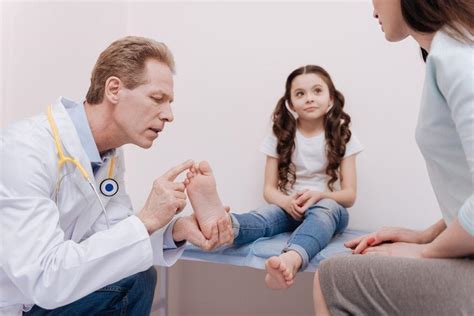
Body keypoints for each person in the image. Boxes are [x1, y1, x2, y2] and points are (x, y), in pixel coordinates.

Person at [0, 36, 233, 315]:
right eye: (157, 99)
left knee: (136, 274)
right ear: (114, 89)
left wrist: (175, 231)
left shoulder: (108, 156)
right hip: (16, 301)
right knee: (134, 281)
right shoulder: (23, 150)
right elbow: (44, 279)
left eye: (169, 102)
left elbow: (113, 235)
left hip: (47, 296)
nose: (169, 115)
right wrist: (146, 218)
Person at [313, 1, 474, 315]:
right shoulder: (455, 49)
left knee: (332, 279)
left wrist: (426, 252)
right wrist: (425, 235)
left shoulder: (456, 59)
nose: (372, 8)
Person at [184, 65, 363, 290]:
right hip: (290, 206)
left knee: (325, 209)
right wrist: (286, 202)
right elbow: (269, 190)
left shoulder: (343, 135)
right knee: (265, 216)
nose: (309, 98)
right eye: (300, 93)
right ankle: (223, 225)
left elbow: (349, 196)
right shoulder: (280, 135)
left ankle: (292, 258)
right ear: (290, 103)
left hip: (327, 208)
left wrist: (320, 195)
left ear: (330, 99)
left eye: (317, 91)